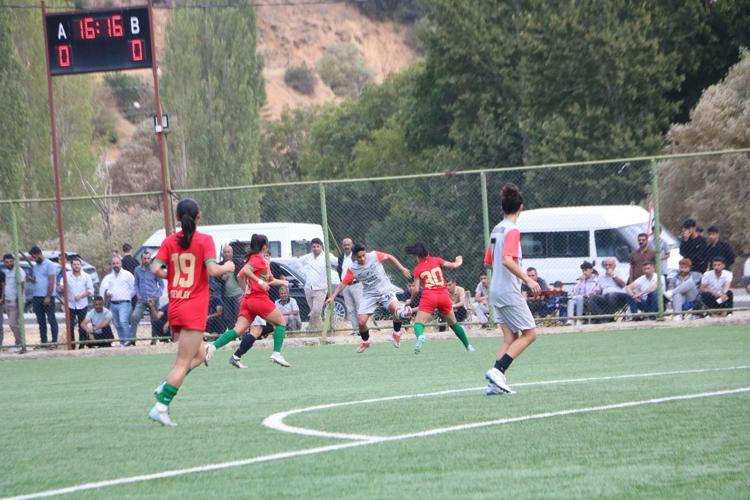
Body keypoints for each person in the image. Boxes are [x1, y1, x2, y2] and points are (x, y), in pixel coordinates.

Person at [148, 198, 235, 427]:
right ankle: (161, 406)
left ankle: (166, 386)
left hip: (176, 305)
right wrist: (228, 266)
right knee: (182, 362)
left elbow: (155, 268)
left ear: (178, 217)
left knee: (200, 354)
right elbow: (213, 270)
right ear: (199, 216)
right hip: (193, 307)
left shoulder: (169, 241)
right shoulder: (204, 240)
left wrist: (173, 275)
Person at [483, 183, 540, 395]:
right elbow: (507, 260)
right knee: (530, 334)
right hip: (508, 291)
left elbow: (488, 262)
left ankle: (494, 384)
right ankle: (498, 371)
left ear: (502, 208)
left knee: (510, 337)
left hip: (496, 291)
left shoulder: (496, 229)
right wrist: (528, 280)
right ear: (521, 208)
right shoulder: (513, 230)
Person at [207, 233, 291, 369]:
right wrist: (259, 282)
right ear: (264, 246)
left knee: (238, 330)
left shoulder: (260, 260)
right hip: (259, 299)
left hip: (248, 300)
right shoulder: (258, 259)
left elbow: (244, 276)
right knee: (281, 323)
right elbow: (245, 271)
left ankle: (212, 347)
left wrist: (283, 282)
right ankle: (276, 353)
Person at [326, 243, 412, 354]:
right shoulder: (353, 269)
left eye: (363, 255)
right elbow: (343, 283)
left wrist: (401, 268)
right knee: (361, 322)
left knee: (397, 310)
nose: (362, 258)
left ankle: (396, 333)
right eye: (359, 257)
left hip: (385, 290)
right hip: (369, 295)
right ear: (354, 257)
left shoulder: (374, 255)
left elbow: (390, 257)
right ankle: (366, 341)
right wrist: (333, 296)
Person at [404, 242, 473, 353]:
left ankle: (420, 336)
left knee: (418, 324)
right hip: (443, 296)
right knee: (454, 324)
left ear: (417, 256)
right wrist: (459, 260)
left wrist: (410, 300)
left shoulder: (417, 269)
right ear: (427, 253)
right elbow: (454, 265)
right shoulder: (437, 260)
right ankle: (468, 346)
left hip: (429, 297)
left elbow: (416, 290)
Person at [129, 251, 164, 345]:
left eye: (148, 258)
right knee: (134, 316)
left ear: (151, 259)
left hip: (154, 299)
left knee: (154, 319)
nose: (146, 260)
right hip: (142, 299)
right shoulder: (137, 270)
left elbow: (161, 285)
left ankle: (153, 340)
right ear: (141, 259)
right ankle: (132, 340)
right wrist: (138, 295)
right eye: (144, 258)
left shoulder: (155, 270)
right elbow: (136, 284)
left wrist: (156, 296)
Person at [26, 246, 59, 348]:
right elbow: (36, 280)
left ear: (39, 254)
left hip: (47, 296)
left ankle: (54, 342)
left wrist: (48, 296)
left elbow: (51, 281)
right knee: (41, 321)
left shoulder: (50, 265)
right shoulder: (35, 266)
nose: (34, 259)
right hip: (36, 297)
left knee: (51, 319)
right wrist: (31, 279)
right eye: (32, 257)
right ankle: (44, 342)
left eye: (34, 257)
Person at [100, 256, 135, 347]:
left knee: (123, 321)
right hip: (113, 304)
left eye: (117, 263)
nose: (115, 265)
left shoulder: (128, 275)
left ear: (121, 263)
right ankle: (122, 342)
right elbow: (107, 288)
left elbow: (134, 288)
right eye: (113, 263)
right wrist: (108, 292)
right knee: (117, 324)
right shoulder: (109, 277)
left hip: (124, 303)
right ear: (111, 265)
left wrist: (127, 297)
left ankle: (128, 341)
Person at [58, 256, 94, 349]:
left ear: (80, 265)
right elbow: (61, 284)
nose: (76, 266)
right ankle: (72, 345)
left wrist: (81, 296)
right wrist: (61, 287)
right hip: (70, 305)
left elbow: (91, 290)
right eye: (74, 264)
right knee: (70, 326)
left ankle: (82, 345)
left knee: (82, 326)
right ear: (71, 265)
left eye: (78, 264)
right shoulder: (66, 275)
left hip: (82, 305)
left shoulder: (86, 276)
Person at [299, 238, 329, 331]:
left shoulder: (326, 256)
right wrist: (304, 272)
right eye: (314, 247)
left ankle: (311, 327)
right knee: (315, 313)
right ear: (311, 248)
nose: (316, 248)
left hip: (321, 288)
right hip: (308, 288)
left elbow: (336, 262)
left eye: (317, 246)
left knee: (315, 311)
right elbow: (298, 262)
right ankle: (318, 329)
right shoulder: (308, 257)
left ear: (321, 247)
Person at [338, 238, 362, 336]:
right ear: (342, 246)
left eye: (348, 245)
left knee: (359, 307)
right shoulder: (341, 257)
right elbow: (340, 270)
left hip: (356, 284)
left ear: (352, 245)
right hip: (345, 286)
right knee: (351, 309)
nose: (347, 247)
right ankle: (356, 330)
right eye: (345, 245)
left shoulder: (356, 256)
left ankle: (362, 329)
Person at [1, 254, 25, 352]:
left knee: (12, 323)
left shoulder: (19, 271)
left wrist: (18, 299)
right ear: (4, 262)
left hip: (15, 301)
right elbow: (6, 286)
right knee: (14, 324)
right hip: (7, 301)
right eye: (7, 262)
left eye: (11, 261)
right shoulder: (7, 272)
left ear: (14, 261)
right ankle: (18, 342)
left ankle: (20, 343)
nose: (9, 263)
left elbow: (22, 285)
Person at [219, 244, 244, 329]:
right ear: (223, 254)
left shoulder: (238, 263)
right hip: (226, 296)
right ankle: (231, 333)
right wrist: (221, 278)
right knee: (229, 318)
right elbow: (215, 279)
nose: (226, 254)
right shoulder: (220, 265)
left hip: (238, 294)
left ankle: (240, 332)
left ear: (232, 253)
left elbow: (244, 274)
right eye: (225, 252)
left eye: (228, 252)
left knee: (239, 315)